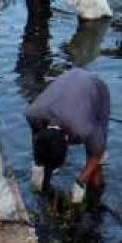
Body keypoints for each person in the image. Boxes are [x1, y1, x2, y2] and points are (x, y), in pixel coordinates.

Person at [25, 68, 110, 203]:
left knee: (95, 164)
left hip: (95, 88)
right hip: (68, 82)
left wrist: (80, 182)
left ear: (67, 139)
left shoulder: (83, 129)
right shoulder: (33, 115)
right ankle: (46, 187)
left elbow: (97, 153)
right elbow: (37, 139)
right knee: (46, 157)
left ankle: (95, 201)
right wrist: (37, 165)